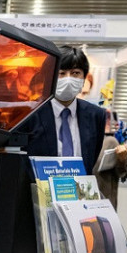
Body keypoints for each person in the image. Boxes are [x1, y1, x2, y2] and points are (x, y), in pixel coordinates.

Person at [21, 45, 107, 174]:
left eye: (75, 73)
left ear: (84, 78)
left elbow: (91, 158)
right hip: (39, 185)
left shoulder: (96, 115)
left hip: (79, 185)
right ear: (49, 77)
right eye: (61, 73)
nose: (68, 79)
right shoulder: (29, 114)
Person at [92, 109, 127, 209]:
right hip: (89, 200)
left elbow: (121, 172)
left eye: (108, 118)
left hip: (105, 201)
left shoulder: (110, 141)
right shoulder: (87, 141)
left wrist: (122, 159)